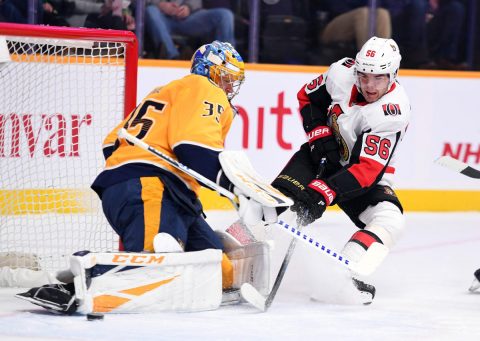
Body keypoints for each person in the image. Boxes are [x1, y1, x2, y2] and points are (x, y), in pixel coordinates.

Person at [16, 41, 276, 314]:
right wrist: (237, 189)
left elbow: (111, 144)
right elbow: (193, 147)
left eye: (233, 82)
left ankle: (109, 268)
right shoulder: (203, 88)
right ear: (208, 70)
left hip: (164, 193)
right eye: (225, 77)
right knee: (157, 264)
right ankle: (78, 279)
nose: (228, 87)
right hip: (150, 188)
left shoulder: (165, 91)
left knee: (217, 268)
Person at [271, 36, 411, 304]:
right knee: (273, 204)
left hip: (356, 175)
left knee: (390, 220)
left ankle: (340, 275)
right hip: (320, 156)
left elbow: (367, 169)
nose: (369, 84)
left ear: (393, 74)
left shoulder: (392, 112)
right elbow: (308, 97)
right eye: (364, 75)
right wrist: (319, 134)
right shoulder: (341, 72)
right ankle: (234, 251)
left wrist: (324, 191)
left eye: (378, 77)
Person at [144, 0, 235, 59]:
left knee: (224, 15)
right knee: (151, 10)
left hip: (189, 17)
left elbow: (196, 3)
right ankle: (173, 56)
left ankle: (224, 60)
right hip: (160, 17)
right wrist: (160, 5)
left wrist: (188, 7)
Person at [318, 1, 392, 50]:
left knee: (383, 13)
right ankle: (366, 60)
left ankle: (383, 57)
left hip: (370, 17)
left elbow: (395, 8)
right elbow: (333, 6)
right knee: (363, 13)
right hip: (330, 23)